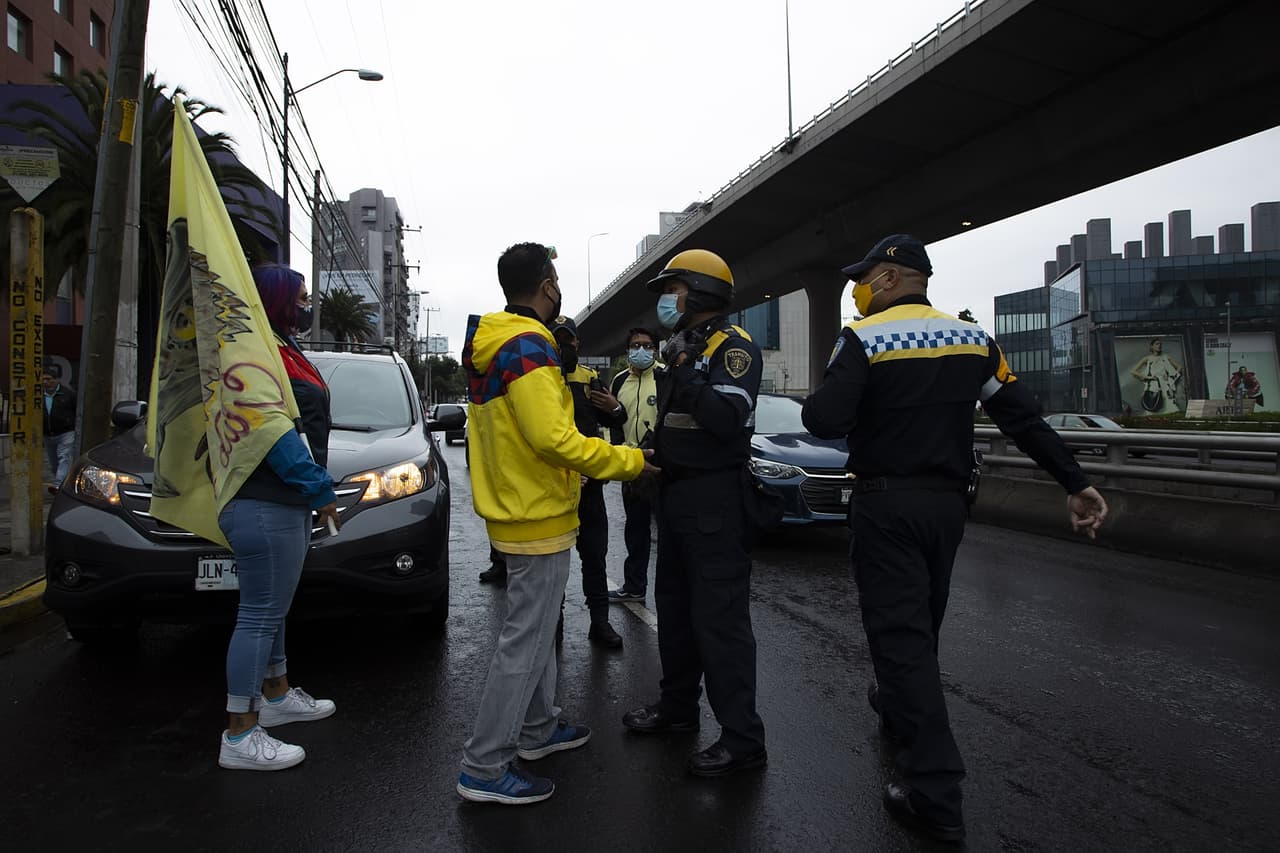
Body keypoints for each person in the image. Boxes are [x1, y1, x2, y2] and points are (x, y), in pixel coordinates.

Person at [801, 235, 1109, 843]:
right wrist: (1074, 482)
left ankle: (934, 794)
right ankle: (895, 703)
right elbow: (1021, 417)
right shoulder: (974, 338)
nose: (858, 289)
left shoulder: (863, 338)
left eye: (863, 278)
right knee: (921, 625)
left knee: (902, 639)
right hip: (946, 508)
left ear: (889, 278)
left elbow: (824, 418)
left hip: (885, 503)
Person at [457, 242, 653, 805]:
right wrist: (632, 461)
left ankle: (538, 732)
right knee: (525, 643)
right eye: (557, 279)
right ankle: (484, 765)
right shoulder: (529, 346)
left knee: (537, 637)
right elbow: (553, 438)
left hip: (524, 511)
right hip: (535, 514)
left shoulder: (498, 344)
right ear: (547, 285)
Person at [621, 249, 768, 778]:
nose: (667, 299)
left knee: (721, 622)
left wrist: (688, 376)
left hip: (716, 501)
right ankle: (678, 709)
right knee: (677, 614)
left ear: (700, 292)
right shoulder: (679, 347)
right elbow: (676, 421)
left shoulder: (733, 349)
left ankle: (743, 738)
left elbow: (728, 420)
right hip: (676, 497)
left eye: (674, 288)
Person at [217, 265, 342, 772]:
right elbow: (273, 431)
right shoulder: (256, 354)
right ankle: (240, 733)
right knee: (259, 614)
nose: (307, 304)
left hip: (282, 501)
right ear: (276, 299)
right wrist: (319, 488)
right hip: (266, 498)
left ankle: (275, 695)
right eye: (300, 296)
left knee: (273, 610)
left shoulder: (277, 345)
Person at [548, 314, 629, 649]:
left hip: (589, 487)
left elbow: (613, 421)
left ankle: (600, 622)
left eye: (568, 340)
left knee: (594, 557)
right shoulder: (539, 378)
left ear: (577, 344)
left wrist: (616, 408)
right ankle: (553, 626)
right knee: (553, 564)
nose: (564, 346)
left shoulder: (589, 378)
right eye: (557, 339)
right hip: (552, 486)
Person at [607, 327, 664, 604]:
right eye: (635, 345)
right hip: (631, 467)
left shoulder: (666, 377)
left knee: (669, 532)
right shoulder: (619, 381)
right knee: (636, 531)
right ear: (628, 349)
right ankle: (634, 587)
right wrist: (620, 457)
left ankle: (672, 592)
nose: (641, 350)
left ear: (656, 348)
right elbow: (614, 422)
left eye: (647, 345)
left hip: (662, 469)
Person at [42, 364, 77, 493]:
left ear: (56, 380)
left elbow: (76, 411)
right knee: (54, 462)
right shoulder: (39, 395)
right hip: (48, 434)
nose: (46, 382)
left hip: (65, 432)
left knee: (64, 457)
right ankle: (64, 480)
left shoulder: (68, 394)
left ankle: (57, 485)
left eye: (49, 379)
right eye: (44, 379)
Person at [1129, 338, 1183, 414]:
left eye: (1160, 344)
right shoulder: (1147, 358)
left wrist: (1170, 376)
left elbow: (1179, 367)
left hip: (1165, 384)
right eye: (1157, 344)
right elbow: (1133, 371)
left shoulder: (1165, 357)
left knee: (1169, 404)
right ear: (1152, 346)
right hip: (1153, 384)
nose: (1159, 346)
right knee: (1154, 404)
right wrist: (1148, 377)